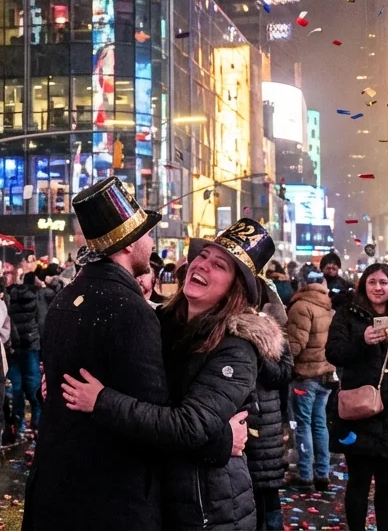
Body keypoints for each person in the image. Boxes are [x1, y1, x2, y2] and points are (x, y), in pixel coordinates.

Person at [24, 178, 236, 531]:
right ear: (128, 244)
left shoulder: (64, 299)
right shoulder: (130, 310)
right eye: (147, 235)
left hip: (56, 491)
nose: (151, 243)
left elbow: (55, 391)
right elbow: (154, 422)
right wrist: (223, 437)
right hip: (112, 499)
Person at [59, 218, 279, 531]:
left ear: (235, 288)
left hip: (207, 510)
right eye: (203, 256)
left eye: (219, 265)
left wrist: (102, 401)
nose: (202, 264)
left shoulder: (237, 350)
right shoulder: (157, 322)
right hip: (155, 495)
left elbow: (189, 426)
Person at [326, 262, 388, 531]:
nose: (378, 288)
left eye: (383, 282)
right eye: (372, 282)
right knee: (358, 479)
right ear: (363, 285)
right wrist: (362, 342)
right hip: (358, 410)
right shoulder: (347, 314)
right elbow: (333, 353)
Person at [246, 276, 293, 530]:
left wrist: (260, 354)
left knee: (266, 488)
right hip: (237, 422)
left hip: (266, 421)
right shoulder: (220, 325)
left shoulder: (273, 332)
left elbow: (284, 374)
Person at [285, 266, 335, 490]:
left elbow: (296, 345)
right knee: (320, 424)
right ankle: (322, 474)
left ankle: (305, 475)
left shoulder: (301, 306)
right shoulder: (327, 305)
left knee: (303, 425)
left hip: (305, 375)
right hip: (324, 374)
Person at [6, 265, 49, 440]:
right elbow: (41, 321)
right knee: (33, 386)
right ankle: (37, 425)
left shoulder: (11, 296)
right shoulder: (38, 295)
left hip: (15, 346)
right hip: (31, 344)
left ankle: (19, 424)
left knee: (16, 387)